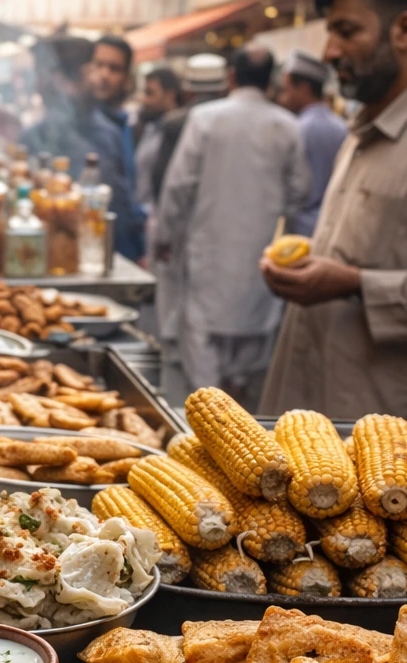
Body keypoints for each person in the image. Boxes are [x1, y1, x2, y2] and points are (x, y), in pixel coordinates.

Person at [258, 0, 407, 421]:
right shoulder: (360, 132)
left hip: (380, 426)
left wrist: (353, 284)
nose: (329, 52)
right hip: (311, 400)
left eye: (346, 32)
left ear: (405, 31)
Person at [157, 45, 309, 408]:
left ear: (232, 76)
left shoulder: (206, 119)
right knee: (253, 357)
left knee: (204, 356)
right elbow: (300, 191)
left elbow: (178, 186)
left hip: (208, 251)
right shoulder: (287, 125)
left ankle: (210, 426)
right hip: (261, 257)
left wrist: (165, 236)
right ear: (271, 81)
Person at [147, 54, 226, 380]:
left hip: (187, 230)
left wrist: (164, 233)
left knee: (187, 316)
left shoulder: (180, 123)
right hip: (223, 235)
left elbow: (170, 184)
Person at [84, 35, 146, 260]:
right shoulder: (84, 126)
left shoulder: (123, 124)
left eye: (114, 68)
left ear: (126, 78)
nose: (104, 75)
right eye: (99, 65)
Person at [275, 50, 347, 236]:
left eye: (287, 89)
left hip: (302, 233)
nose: (284, 97)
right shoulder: (342, 127)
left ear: (304, 88)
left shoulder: (296, 129)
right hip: (336, 227)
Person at [20, 36, 98, 174]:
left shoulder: (105, 135)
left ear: (60, 79)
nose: (37, 85)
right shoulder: (37, 135)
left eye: (41, 75)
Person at [134, 67, 181, 213]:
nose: (144, 99)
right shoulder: (149, 128)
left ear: (170, 95)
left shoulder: (180, 133)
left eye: (150, 93)